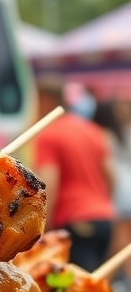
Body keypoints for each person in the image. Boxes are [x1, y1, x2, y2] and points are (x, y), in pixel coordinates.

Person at [33, 77, 116, 272]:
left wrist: (42, 226)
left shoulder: (49, 135)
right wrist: (100, 203)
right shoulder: (91, 129)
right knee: (94, 287)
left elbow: (49, 183)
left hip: (74, 221)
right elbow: (111, 177)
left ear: (46, 100)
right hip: (104, 218)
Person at [93, 98, 131, 287]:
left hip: (120, 189)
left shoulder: (104, 135)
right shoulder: (126, 132)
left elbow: (106, 168)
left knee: (121, 237)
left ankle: (125, 276)